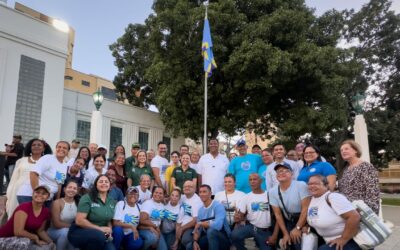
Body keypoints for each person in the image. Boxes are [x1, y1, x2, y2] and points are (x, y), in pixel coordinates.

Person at [307, 175, 361, 250]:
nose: (312, 186)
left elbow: (354, 217)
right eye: (310, 184)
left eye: (316, 183)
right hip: (327, 239)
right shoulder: (313, 199)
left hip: (350, 240)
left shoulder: (333, 197)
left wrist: (343, 239)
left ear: (326, 185)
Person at [268, 164, 311, 250]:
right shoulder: (272, 191)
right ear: (276, 175)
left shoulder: (301, 185)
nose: (282, 173)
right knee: (288, 243)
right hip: (289, 221)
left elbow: (305, 209)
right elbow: (278, 215)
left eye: (286, 171)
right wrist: (285, 234)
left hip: (304, 221)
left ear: (292, 174)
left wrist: (298, 228)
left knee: (300, 245)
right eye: (279, 171)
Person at [68, 175, 116, 250]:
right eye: (101, 181)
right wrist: (100, 229)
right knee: (98, 236)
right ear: (96, 185)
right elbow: (79, 221)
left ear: (110, 186)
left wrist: (109, 230)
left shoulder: (111, 201)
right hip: (80, 231)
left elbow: (108, 219)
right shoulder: (87, 198)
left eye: (106, 182)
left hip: (101, 234)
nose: (104, 183)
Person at [6, 138, 52, 217]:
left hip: (38, 193)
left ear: (44, 148)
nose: (36, 146)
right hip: (18, 192)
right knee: (17, 216)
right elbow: (13, 179)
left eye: (39, 145)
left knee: (32, 217)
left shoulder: (48, 162)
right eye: (33, 145)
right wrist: (8, 194)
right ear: (30, 148)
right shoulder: (21, 161)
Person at [231, 173, 272, 250]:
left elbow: (277, 215)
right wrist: (237, 217)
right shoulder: (246, 197)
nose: (252, 181)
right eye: (250, 180)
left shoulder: (269, 195)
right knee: (234, 235)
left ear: (261, 181)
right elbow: (240, 216)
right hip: (251, 227)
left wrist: (274, 235)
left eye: (255, 179)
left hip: (265, 230)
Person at [338, 140, 380, 214]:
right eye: (341, 150)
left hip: (361, 211)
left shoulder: (366, 166)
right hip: (347, 210)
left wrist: (368, 212)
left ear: (355, 151)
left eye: (346, 149)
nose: (343, 151)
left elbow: (372, 191)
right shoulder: (345, 169)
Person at [190, 184, 231, 250]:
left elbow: (218, 226)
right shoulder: (200, 210)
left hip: (223, 239)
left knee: (211, 231)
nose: (202, 194)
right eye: (200, 192)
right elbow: (198, 230)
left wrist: (201, 223)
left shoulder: (218, 206)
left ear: (210, 193)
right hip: (209, 238)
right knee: (190, 246)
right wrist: (195, 241)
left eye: (204, 192)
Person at [48, 180, 79, 250]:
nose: (72, 190)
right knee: (66, 232)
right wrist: (73, 227)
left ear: (77, 191)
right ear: (64, 189)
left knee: (76, 239)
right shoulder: (57, 203)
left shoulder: (78, 203)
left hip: (70, 230)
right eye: (70, 187)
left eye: (74, 188)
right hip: (54, 231)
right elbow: (56, 224)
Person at [176, 181, 202, 249]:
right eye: (185, 186)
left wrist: (182, 229)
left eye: (189, 186)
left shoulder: (197, 201)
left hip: (191, 227)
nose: (186, 188)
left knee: (186, 240)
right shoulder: (183, 197)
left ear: (195, 189)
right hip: (179, 225)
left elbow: (195, 220)